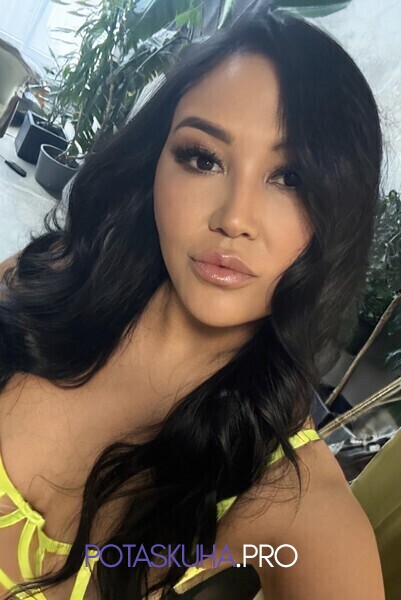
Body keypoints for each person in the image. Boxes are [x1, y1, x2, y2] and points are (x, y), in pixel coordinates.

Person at [0, 5, 385, 600]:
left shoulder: (294, 502)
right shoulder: (37, 281)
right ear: (156, 163)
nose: (234, 218)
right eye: (203, 158)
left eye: (292, 179)